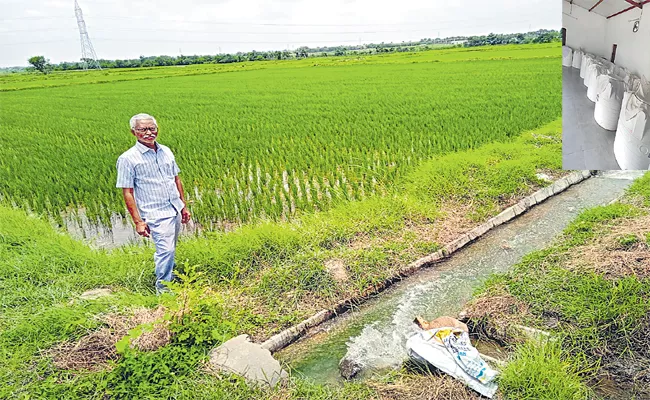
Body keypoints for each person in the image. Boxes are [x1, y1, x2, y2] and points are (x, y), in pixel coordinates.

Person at [116, 113, 191, 293]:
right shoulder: (128, 158)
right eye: (143, 129)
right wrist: (138, 221)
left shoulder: (166, 150)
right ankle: (164, 291)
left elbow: (176, 179)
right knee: (165, 251)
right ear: (133, 132)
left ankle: (169, 278)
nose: (149, 132)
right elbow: (127, 192)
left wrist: (183, 206)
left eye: (152, 128)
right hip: (155, 212)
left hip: (174, 207)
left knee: (170, 248)